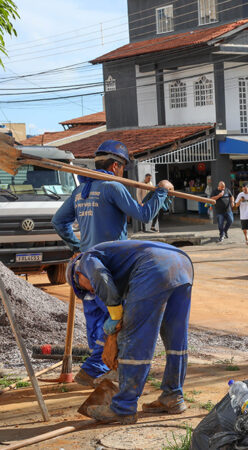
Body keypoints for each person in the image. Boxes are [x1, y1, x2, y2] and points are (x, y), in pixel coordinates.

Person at [52, 140, 173, 387]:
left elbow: (58, 221)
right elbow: (144, 215)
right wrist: (161, 191)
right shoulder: (113, 187)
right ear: (116, 166)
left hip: (85, 268)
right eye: (123, 168)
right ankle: (108, 370)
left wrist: (77, 246)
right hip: (111, 268)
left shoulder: (79, 191)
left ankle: (93, 371)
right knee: (120, 323)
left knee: (97, 323)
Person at [66, 240, 193, 424]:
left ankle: (123, 408)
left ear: (78, 275)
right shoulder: (117, 259)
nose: (92, 291)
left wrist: (116, 318)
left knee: (133, 339)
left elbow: (101, 279)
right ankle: (173, 397)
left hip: (155, 266)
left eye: (85, 288)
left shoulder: (85, 261)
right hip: (181, 263)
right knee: (176, 339)